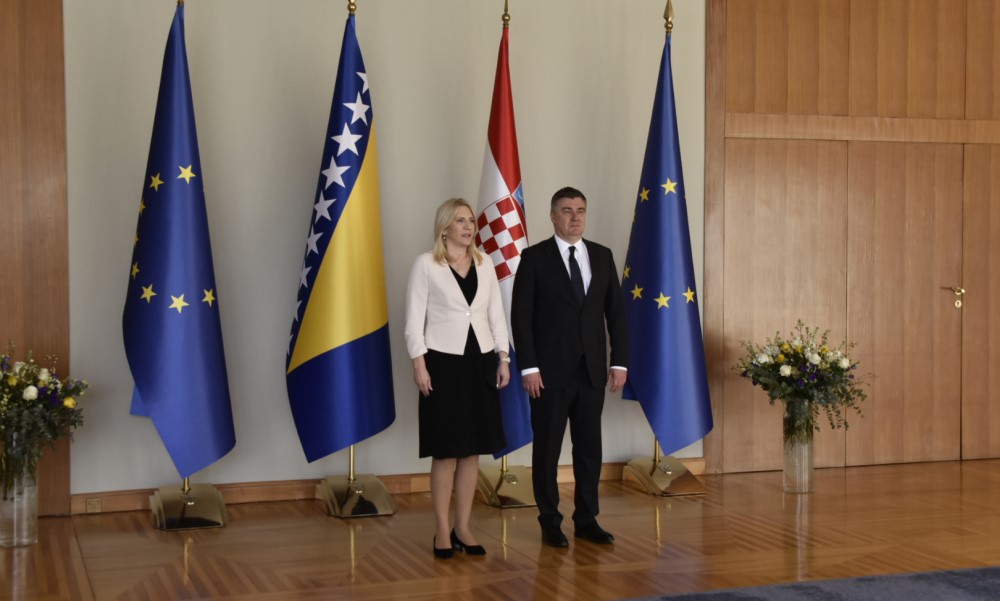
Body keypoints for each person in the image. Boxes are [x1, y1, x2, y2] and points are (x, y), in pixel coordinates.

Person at [511, 186, 628, 548]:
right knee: (547, 450)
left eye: (580, 211)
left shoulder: (602, 256)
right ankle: (550, 521)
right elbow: (521, 317)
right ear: (552, 216)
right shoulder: (534, 258)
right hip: (548, 374)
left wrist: (619, 361)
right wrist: (529, 368)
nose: (575, 217)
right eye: (566, 211)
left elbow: (616, 314)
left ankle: (587, 519)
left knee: (589, 448)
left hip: (592, 371)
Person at [404, 197, 511, 559]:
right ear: (445, 227)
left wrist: (503, 357)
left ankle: (463, 528)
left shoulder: (485, 262)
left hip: (480, 363)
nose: (468, 226)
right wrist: (419, 365)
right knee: (446, 450)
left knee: (472, 451)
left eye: (471, 221)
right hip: (442, 364)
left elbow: (496, 315)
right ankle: (441, 530)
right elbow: (413, 321)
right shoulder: (426, 264)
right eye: (460, 221)